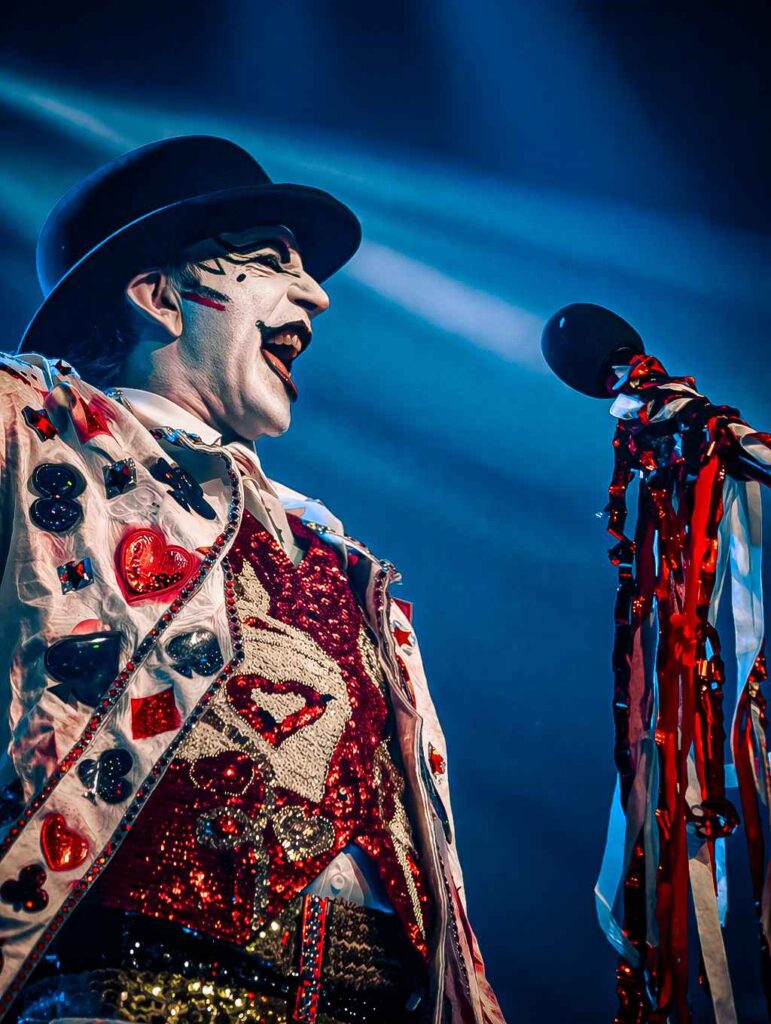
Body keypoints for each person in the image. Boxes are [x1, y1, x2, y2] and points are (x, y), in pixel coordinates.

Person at [0, 136, 504, 1024]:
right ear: (158, 296)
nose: (316, 295)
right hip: (130, 995)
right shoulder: (31, 433)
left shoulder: (336, 554)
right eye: (272, 262)